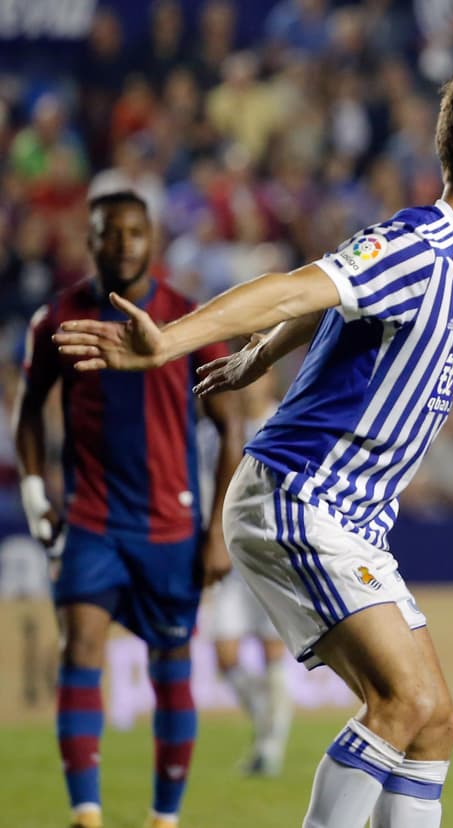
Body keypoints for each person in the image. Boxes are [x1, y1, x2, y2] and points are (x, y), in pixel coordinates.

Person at [53, 74, 453, 828]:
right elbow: (297, 287)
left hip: (348, 514)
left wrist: (263, 353)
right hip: (302, 495)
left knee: (434, 721)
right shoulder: (424, 248)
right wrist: (169, 342)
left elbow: (331, 294)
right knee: (405, 702)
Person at [15, 190, 242, 828]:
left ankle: (164, 817)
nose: (122, 243)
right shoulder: (57, 319)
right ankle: (86, 813)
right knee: (79, 648)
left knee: (171, 668)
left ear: (152, 239)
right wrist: (35, 495)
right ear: (89, 240)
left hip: (171, 528)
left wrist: (218, 530)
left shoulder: (188, 319)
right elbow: (28, 413)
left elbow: (230, 427)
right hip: (92, 521)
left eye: (134, 232)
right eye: (108, 232)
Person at [203, 371, 293, 777]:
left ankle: (271, 748)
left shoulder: (287, 421)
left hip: (274, 555)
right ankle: (265, 723)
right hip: (231, 557)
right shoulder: (218, 430)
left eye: (262, 374)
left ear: (270, 380)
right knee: (225, 655)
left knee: (273, 653)